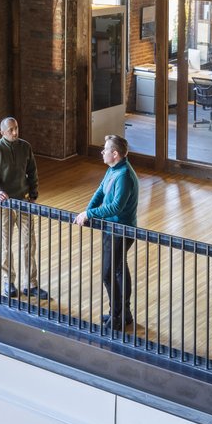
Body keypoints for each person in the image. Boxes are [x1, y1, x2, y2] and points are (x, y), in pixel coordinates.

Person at [74, 134, 139, 331]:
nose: (102, 151)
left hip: (120, 230)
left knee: (108, 274)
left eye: (106, 149)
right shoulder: (113, 170)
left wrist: (90, 213)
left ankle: (117, 315)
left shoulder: (124, 175)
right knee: (118, 269)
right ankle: (123, 313)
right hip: (111, 228)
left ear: (115, 154)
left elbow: (115, 207)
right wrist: (87, 211)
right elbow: (100, 192)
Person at [0, 117, 49, 300]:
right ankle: (8, 281)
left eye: (16, 128)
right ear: (2, 132)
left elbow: (32, 171)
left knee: (29, 243)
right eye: (10, 130)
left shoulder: (25, 147)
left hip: (24, 201)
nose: (15, 132)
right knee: (6, 244)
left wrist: (33, 193)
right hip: (4, 204)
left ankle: (30, 284)